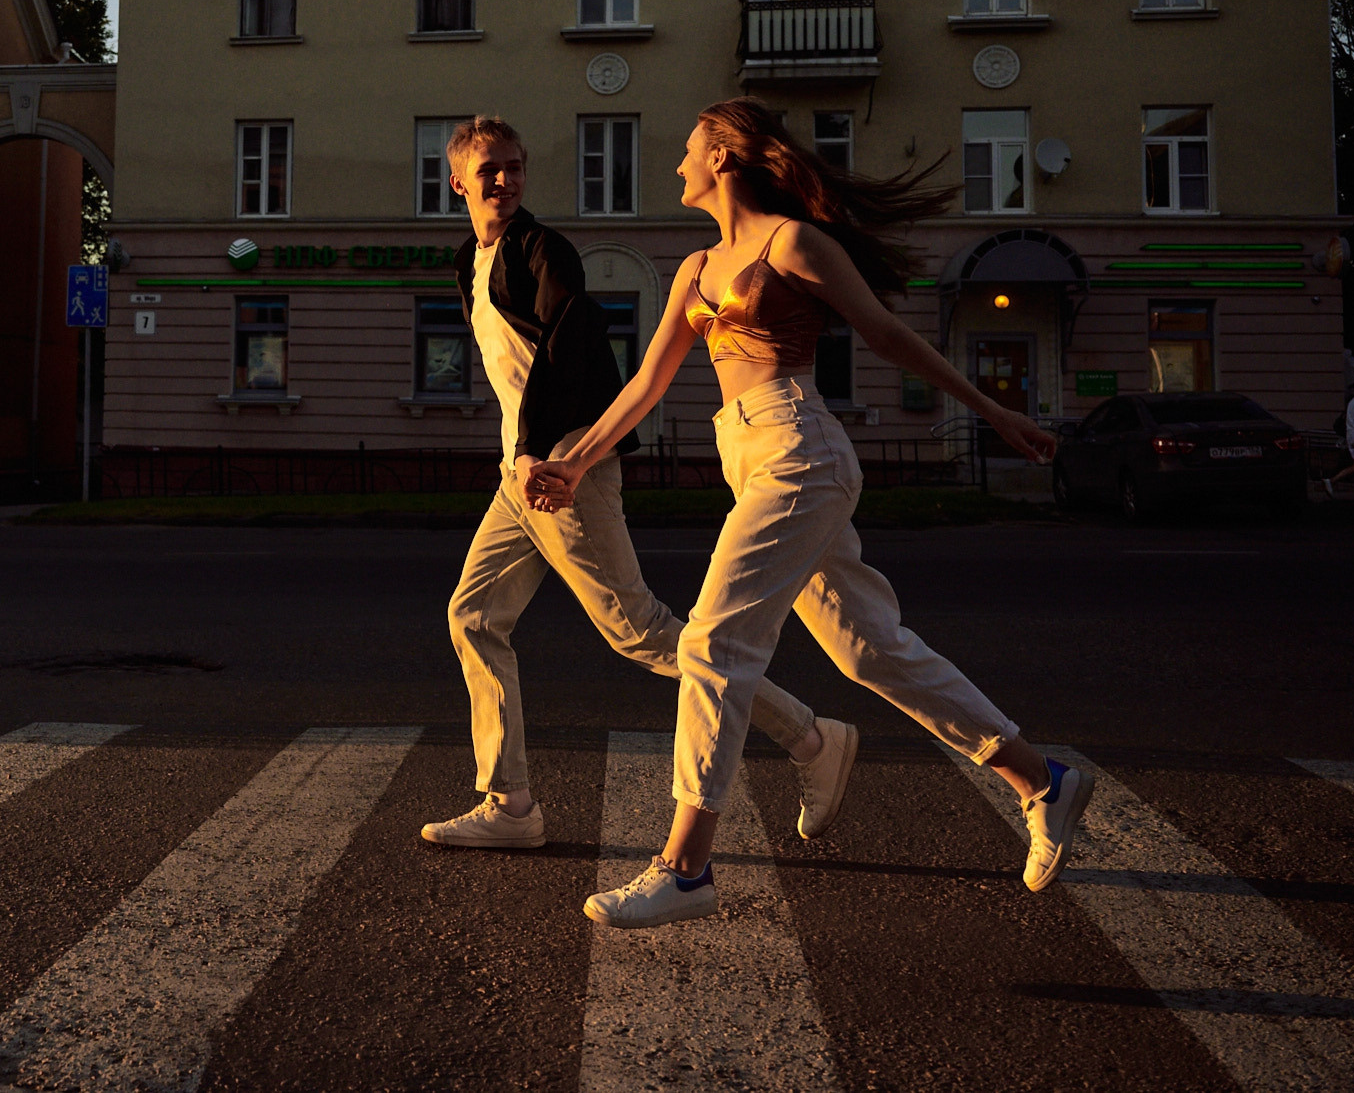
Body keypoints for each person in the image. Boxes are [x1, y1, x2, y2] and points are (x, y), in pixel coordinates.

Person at [529, 99, 1089, 928]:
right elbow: (645, 386)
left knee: (713, 640)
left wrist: (991, 411)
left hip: (801, 450)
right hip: (748, 457)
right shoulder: (693, 269)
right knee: (872, 651)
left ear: (723, 156)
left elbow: (888, 336)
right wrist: (573, 462)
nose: (677, 163)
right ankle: (1042, 778)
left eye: (687, 150)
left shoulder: (791, 243)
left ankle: (684, 867)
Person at [419, 116, 860, 854]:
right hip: (518, 471)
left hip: (560, 467)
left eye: (515, 166)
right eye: (489, 169)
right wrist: (516, 455)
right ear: (458, 180)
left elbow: (573, 351)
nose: (504, 180)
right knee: (473, 616)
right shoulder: (471, 256)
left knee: (639, 629)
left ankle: (811, 737)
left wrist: (554, 457)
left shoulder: (540, 249)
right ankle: (511, 801)